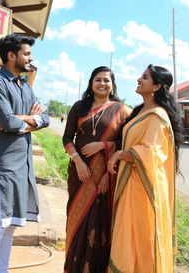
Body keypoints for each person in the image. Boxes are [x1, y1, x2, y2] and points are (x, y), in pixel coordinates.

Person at [0, 34, 50, 273]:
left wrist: (23, 121)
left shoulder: (24, 85)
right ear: (12, 56)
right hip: (3, 166)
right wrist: (24, 121)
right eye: (27, 54)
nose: (31, 58)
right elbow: (7, 124)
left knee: (10, 226)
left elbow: (46, 118)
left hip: (23, 167)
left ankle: (2, 270)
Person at [107, 65, 182, 273]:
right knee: (129, 238)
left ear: (157, 86)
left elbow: (152, 153)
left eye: (145, 77)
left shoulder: (158, 116)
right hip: (131, 185)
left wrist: (120, 154)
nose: (139, 79)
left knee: (141, 238)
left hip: (144, 189)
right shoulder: (141, 112)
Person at [62, 66, 131, 273]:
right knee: (76, 221)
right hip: (80, 174)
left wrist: (103, 146)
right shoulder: (79, 107)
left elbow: (124, 143)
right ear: (91, 83)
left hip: (107, 177)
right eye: (98, 80)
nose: (102, 83)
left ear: (112, 85)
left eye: (106, 80)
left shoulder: (123, 111)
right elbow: (67, 138)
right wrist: (78, 161)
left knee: (101, 223)